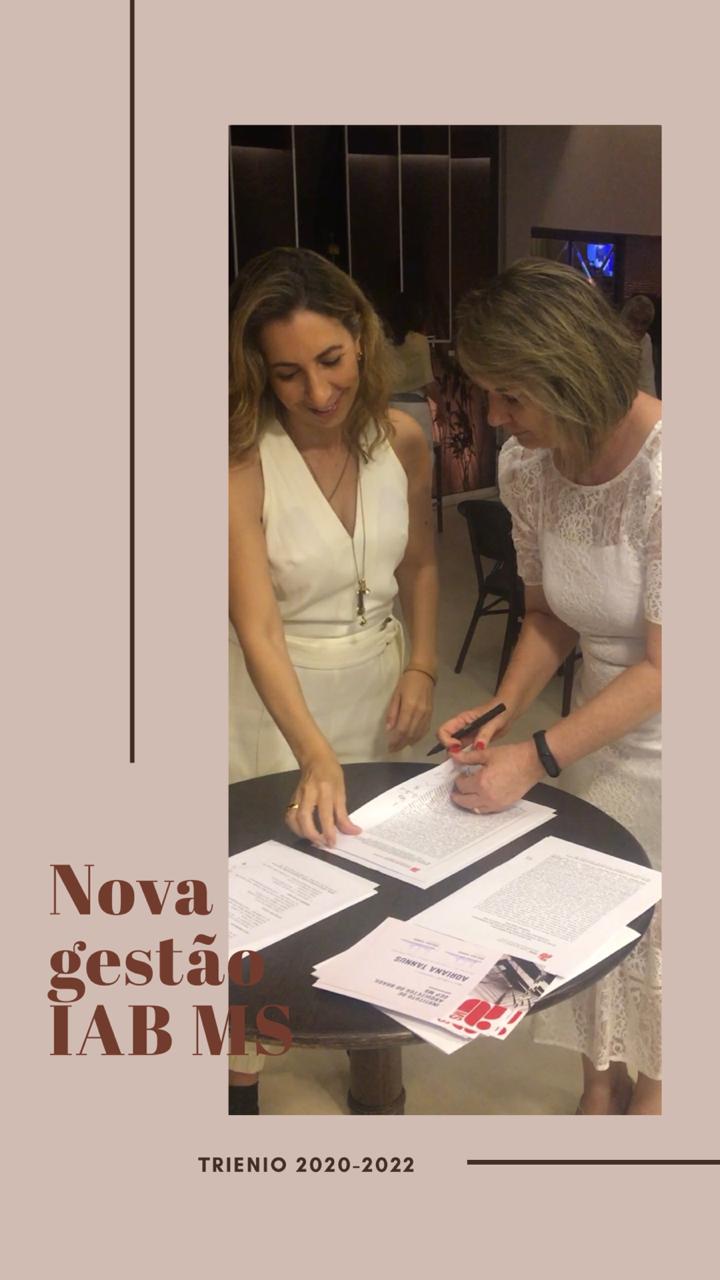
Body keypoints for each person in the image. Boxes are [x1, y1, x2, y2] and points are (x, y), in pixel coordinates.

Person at [437, 258, 661, 1116]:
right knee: (592, 918)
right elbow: (548, 617)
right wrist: (500, 710)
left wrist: (533, 757)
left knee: (667, 937)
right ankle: (598, 1085)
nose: (495, 416)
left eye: (510, 394)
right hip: (594, 733)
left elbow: (668, 667)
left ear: (569, 372)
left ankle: (658, 1100)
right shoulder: (532, 467)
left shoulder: (676, 471)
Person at [228, 246, 438, 1112]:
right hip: (276, 702)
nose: (317, 392)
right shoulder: (241, 459)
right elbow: (255, 624)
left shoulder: (403, 439)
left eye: (331, 361)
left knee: (377, 885)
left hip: (379, 683)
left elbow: (421, 562)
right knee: (267, 902)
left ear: (362, 337)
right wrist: (312, 752)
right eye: (288, 374)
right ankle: (237, 1085)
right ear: (259, 373)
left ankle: (374, 1066)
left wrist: (422, 662)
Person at [621, 293, 657, 396]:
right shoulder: (612, 335)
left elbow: (647, 380)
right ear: (624, 318)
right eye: (634, 320)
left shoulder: (645, 340)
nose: (638, 327)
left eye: (644, 323)